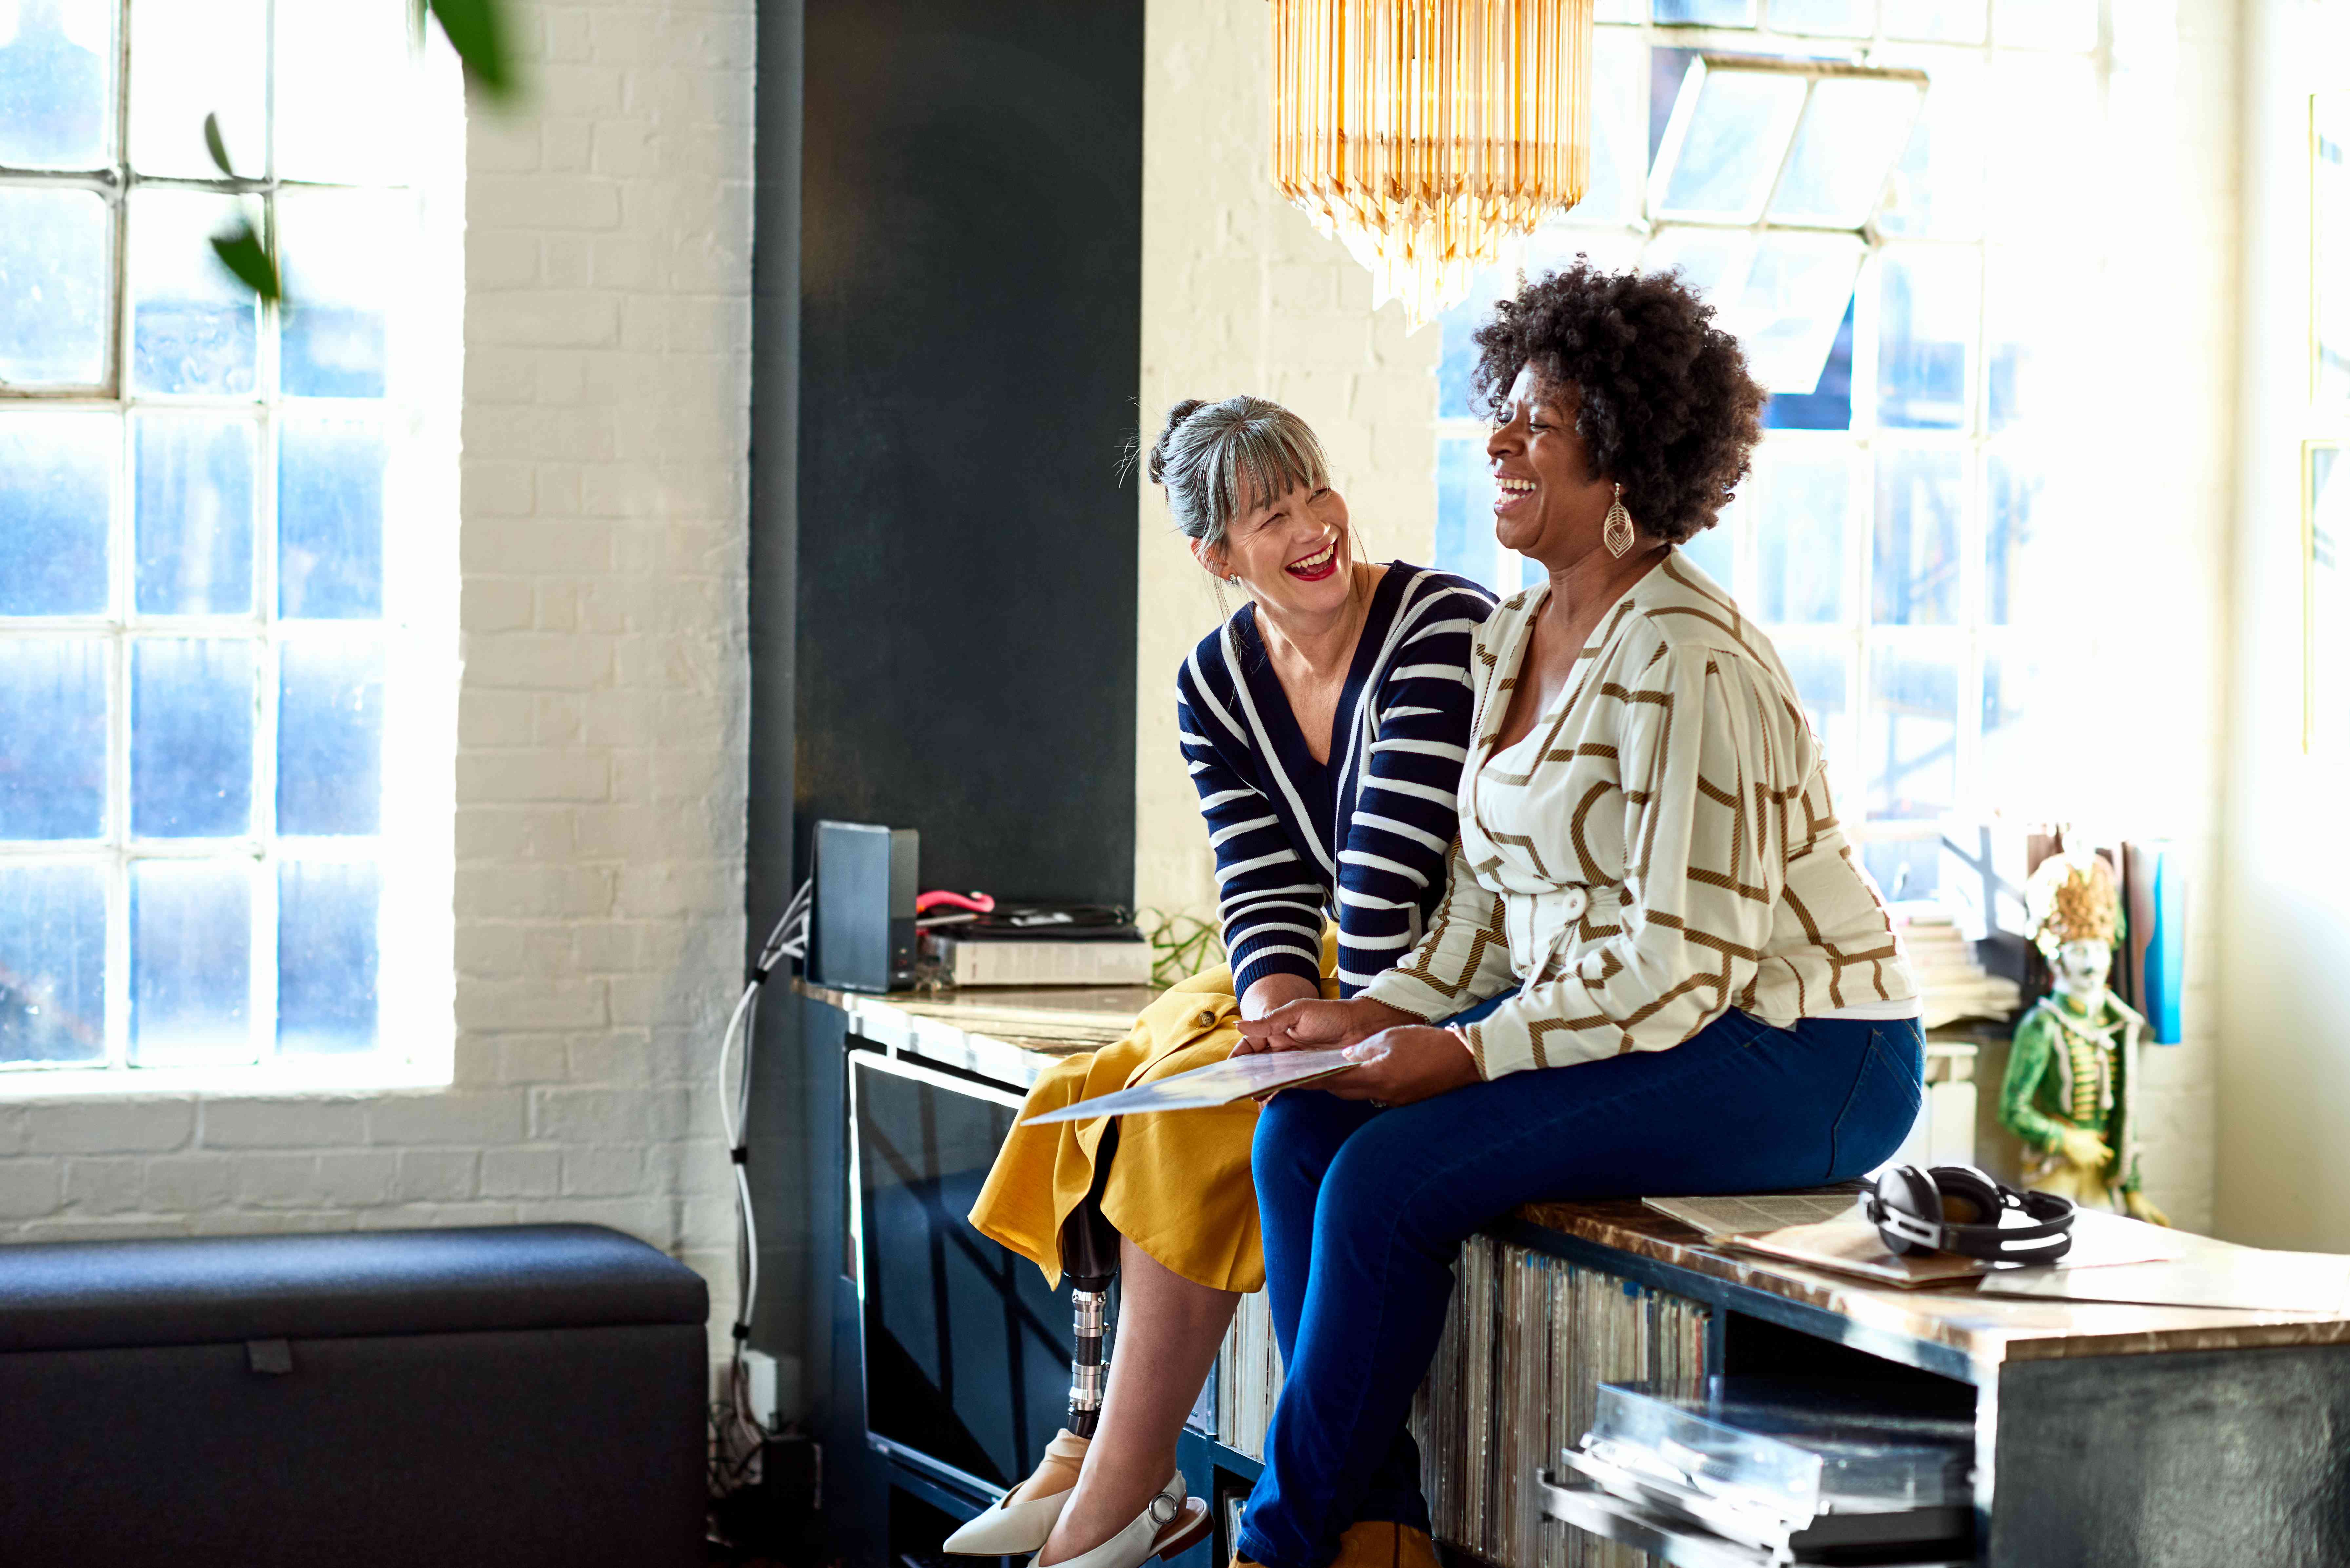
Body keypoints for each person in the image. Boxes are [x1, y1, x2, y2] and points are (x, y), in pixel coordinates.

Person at [1227, 263, 1926, 1568]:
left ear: (1620, 465)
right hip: (1660, 1017)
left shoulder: (1688, 659)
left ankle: (1279, 1547)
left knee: (1386, 1181)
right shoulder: (1512, 635)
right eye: (1503, 412)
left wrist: (1465, 1052)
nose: (1495, 438)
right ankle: (1376, 1533)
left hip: (1797, 1047)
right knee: (1302, 1128)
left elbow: (1677, 969)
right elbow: (1488, 905)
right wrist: (1371, 1013)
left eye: (1534, 424)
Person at [956, 396, 1495, 1568]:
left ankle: (1117, 1467)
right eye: (1269, 515)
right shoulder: (1216, 680)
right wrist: (1269, 1016)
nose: (1313, 529)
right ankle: (1105, 1448)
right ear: (1215, 554)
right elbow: (1256, 889)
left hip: (1452, 982)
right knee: (1120, 1085)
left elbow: (1389, 879)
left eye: (1315, 494)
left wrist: (1295, 1031)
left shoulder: (1439, 624)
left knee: (1195, 1115)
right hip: (1333, 985)